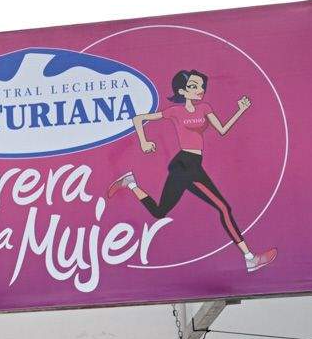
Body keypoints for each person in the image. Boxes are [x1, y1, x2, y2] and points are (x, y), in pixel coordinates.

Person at [111, 68, 276, 274]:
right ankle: (249, 258)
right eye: (193, 86)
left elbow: (223, 130)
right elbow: (138, 119)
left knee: (159, 212)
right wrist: (144, 142)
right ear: (182, 91)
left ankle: (131, 183)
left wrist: (240, 110)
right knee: (223, 208)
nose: (199, 90)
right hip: (185, 164)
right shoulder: (174, 111)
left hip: (191, 164)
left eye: (201, 87)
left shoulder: (205, 108)